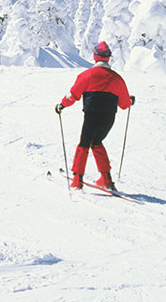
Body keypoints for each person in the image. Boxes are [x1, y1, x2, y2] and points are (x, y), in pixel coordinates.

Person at [56, 41, 133, 191]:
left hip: (91, 117)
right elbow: (125, 104)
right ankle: (106, 179)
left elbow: (73, 95)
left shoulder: (87, 75)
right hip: (109, 119)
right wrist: (131, 100)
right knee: (97, 142)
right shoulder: (117, 79)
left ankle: (77, 180)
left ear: (95, 56)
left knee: (84, 144)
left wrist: (62, 105)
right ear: (108, 58)